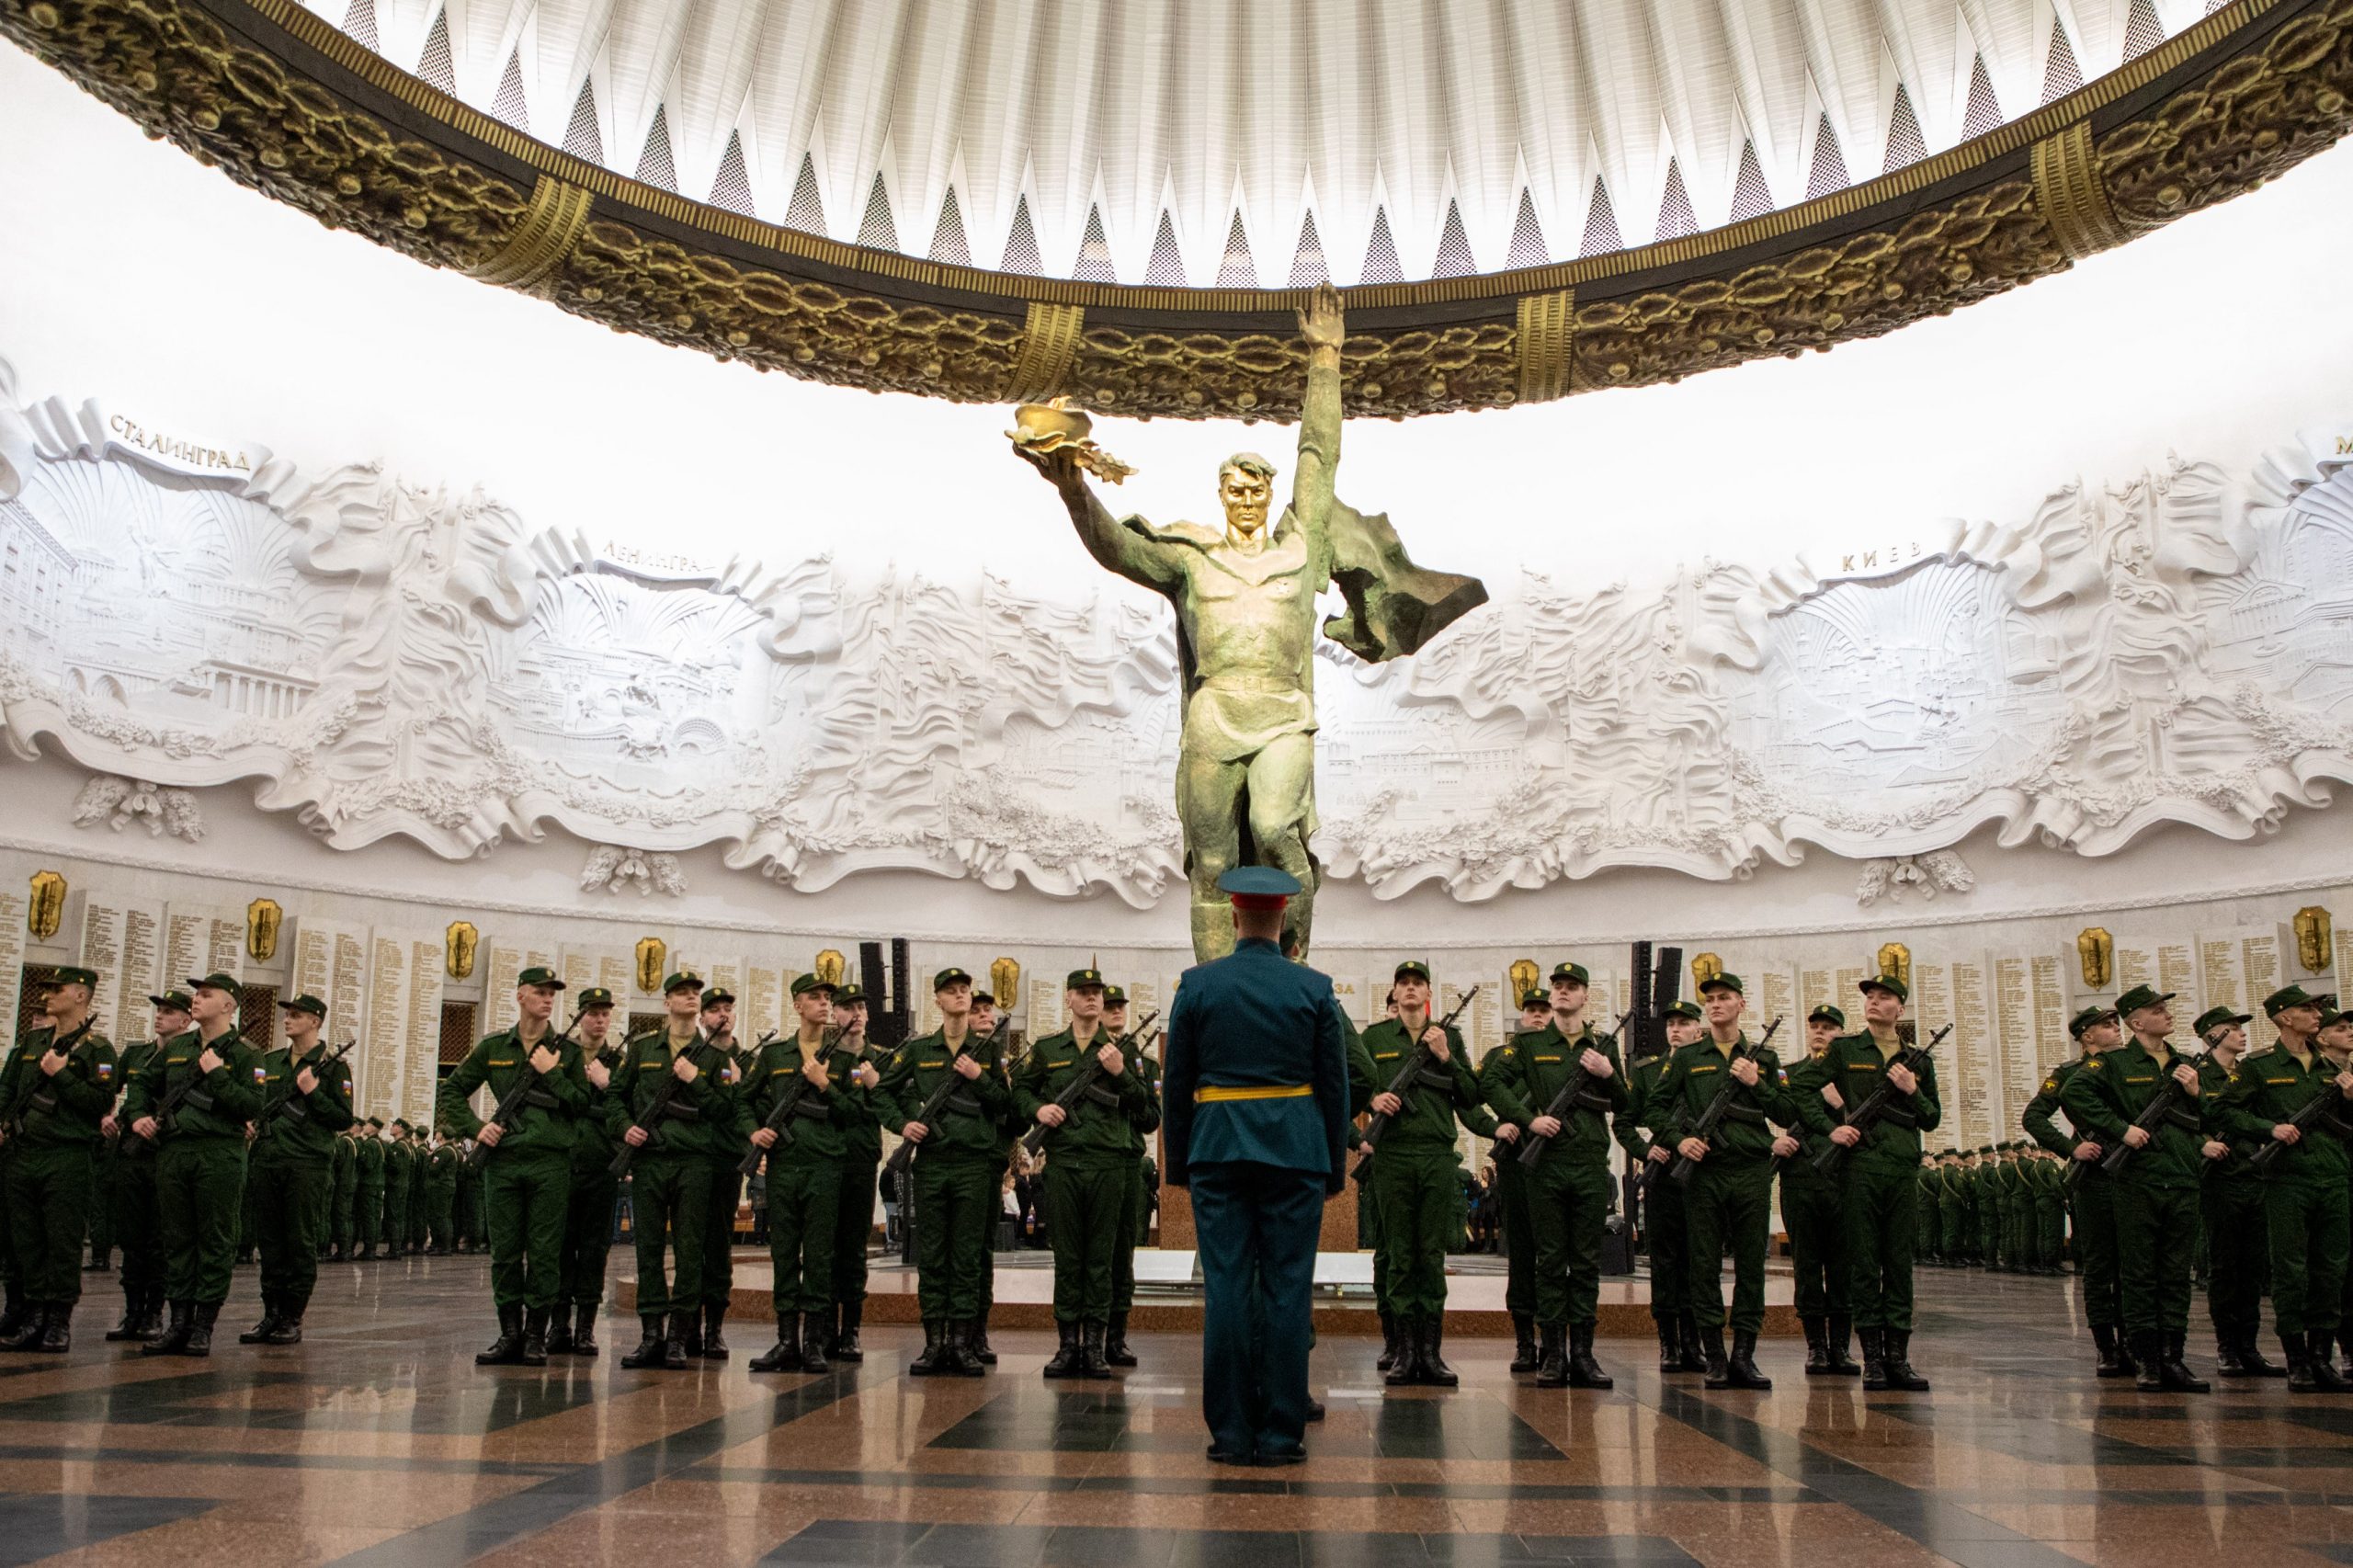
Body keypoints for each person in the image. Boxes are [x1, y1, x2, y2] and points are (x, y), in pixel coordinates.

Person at [1164, 865, 1348, 1466]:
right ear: (1284, 921)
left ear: (1236, 918)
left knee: (1226, 1292)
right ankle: (1279, 1434)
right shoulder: (1314, 988)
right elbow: (1334, 1087)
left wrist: (1179, 1165)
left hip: (1218, 1149)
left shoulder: (1197, 985)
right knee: (1288, 1291)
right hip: (1295, 1153)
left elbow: (1177, 1085)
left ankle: (1232, 1433)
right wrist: (1333, 1168)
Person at [1477, 960, 1627, 1388]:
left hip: (1588, 1165)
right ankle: (1553, 1354)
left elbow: (1627, 1104)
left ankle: (1583, 1353)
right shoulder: (1528, 1044)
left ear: (1584, 996)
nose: (1562, 992)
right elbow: (1491, 1084)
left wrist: (1608, 1073)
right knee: (1550, 1262)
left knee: (1585, 1262)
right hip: (1546, 1166)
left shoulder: (1601, 1048)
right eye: (1557, 986)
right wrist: (1529, 1119)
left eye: (1571, 987)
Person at [437, 966, 593, 1367]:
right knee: (505, 1252)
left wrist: (552, 1072)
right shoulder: (494, 1047)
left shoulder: (568, 1052)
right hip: (503, 1164)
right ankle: (508, 1333)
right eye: (539, 992)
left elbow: (582, 1104)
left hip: (550, 1163)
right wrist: (476, 1128)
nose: (547, 999)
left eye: (552, 994)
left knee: (543, 1252)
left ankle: (535, 1336)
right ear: (521, 995)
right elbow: (452, 1090)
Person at [1359, 960, 1502, 1388]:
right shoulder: (1375, 1037)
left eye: (1416, 983)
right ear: (1395, 992)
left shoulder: (1450, 1038)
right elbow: (1354, 1083)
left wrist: (1445, 1057)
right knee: (1401, 1255)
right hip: (1393, 1156)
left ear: (1428, 994)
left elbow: (1472, 1095)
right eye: (1402, 984)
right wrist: (1373, 1100)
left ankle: (1431, 1353)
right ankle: (1403, 1352)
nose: (1409, 990)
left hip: (1437, 1156)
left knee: (1430, 1256)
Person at [1654, 972, 1800, 1389]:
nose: (1716, 1004)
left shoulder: (1765, 1060)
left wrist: (1757, 1083)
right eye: (1711, 999)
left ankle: (1744, 1356)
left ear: (1741, 1004)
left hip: (1751, 1172)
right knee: (1704, 1266)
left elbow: (1789, 1113)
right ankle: (1715, 1356)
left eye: (1725, 997)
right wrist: (1680, 1141)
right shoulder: (1686, 1057)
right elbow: (1655, 1109)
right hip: (1705, 1174)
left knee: (1751, 1266)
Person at [1795, 974, 1940, 1391]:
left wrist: (1912, 1090)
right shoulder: (1844, 1050)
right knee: (1863, 1263)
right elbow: (1801, 1092)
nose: (1875, 1003)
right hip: (1858, 1170)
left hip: (1900, 1170)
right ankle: (1873, 1358)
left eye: (1885, 997)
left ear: (1901, 1008)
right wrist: (1830, 1130)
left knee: (1898, 1264)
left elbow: (1931, 1118)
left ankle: (1899, 1358)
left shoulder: (1919, 1061)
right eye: (1870, 997)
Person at [2063, 983, 2211, 1392]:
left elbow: (2212, 1115)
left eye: (2165, 1007)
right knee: (2140, 1273)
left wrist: (2197, 1093)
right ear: (2136, 1021)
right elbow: (2074, 1094)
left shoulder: (2183, 1063)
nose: (2166, 1013)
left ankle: (2173, 1357)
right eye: (2156, 1009)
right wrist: (2119, 1130)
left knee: (2176, 1273)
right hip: (2136, 1179)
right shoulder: (2112, 1064)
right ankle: (2147, 1359)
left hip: (2181, 1177)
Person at [1017, 967, 1159, 1378]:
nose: (1093, 998)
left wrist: (1120, 1073)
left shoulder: (1125, 1054)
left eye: (1097, 992)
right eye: (1085, 992)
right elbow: (1021, 1092)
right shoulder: (1048, 1050)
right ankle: (1066, 1346)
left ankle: (1096, 1346)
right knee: (1068, 1256)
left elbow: (1150, 1115)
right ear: (1069, 999)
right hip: (1063, 1165)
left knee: (1101, 1259)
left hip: (1109, 1165)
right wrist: (1038, 1111)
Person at [876, 967, 1011, 1376]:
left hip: (973, 1164)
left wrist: (978, 1077)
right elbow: (882, 1090)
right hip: (932, 1164)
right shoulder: (918, 1050)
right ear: (937, 999)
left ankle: (962, 1344)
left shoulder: (987, 1051)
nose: (959, 996)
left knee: (968, 1256)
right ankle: (934, 1344)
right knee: (933, 1256)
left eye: (964, 990)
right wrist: (903, 1124)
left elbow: (1006, 1104)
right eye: (950, 991)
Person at [2216, 984, 2350, 1389]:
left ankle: (2321, 1356)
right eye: (2307, 1009)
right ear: (2285, 1018)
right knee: (2291, 1271)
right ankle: (2296, 1359)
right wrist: (2268, 1128)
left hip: (2334, 1177)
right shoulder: (2259, 1066)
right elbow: (2223, 1108)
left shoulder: (2331, 1068)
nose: (2316, 1014)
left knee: (2331, 1270)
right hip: (2287, 1180)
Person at [607, 971, 742, 1370]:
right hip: (649, 1160)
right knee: (648, 1249)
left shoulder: (716, 1057)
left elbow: (725, 1110)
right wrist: (623, 1127)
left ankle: (680, 1338)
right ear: (666, 1003)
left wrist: (695, 1080)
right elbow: (616, 1095)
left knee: (689, 1250)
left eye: (695, 994)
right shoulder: (644, 1048)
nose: (690, 999)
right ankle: (651, 1335)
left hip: (695, 1163)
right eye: (682, 993)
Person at [126, 971, 264, 1358]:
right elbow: (140, 1082)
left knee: (215, 1240)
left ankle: (203, 1325)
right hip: (175, 1151)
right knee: (178, 1239)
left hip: (219, 1153)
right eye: (196, 994)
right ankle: (178, 1322)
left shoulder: (246, 1053)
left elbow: (252, 1106)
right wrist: (137, 1116)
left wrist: (217, 1075)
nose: (196, 1000)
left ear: (228, 1006)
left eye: (206, 994)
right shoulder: (178, 1046)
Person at [747, 973, 862, 1373]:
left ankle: (813, 1341)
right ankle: (785, 1341)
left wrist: (824, 1084)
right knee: (783, 1254)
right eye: (814, 998)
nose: (823, 1004)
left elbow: (855, 1114)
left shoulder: (845, 1060)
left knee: (818, 1255)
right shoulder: (775, 1055)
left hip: (825, 1166)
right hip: (783, 1166)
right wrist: (755, 1130)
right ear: (797, 1005)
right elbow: (743, 1100)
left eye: (827, 998)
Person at [0, 966, 117, 1353]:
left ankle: (57, 1322)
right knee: (27, 1241)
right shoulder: (34, 1041)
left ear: (81, 996)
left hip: (67, 1157)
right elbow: (7, 1090)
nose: (48, 995)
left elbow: (101, 1103)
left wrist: (63, 1076)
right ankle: (32, 1316)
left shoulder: (98, 1050)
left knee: (62, 1241)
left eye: (57, 989)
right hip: (23, 1154)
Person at [239, 993, 352, 1346]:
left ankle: (292, 1316)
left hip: (307, 1162)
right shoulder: (272, 1062)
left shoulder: (333, 1067)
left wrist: (314, 1092)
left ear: (315, 1021)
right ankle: (271, 1313)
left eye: (297, 1015)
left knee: (299, 1241)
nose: (288, 1020)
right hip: (268, 1157)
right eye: (287, 1014)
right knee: (269, 1240)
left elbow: (342, 1119)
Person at [2025, 1006, 2131, 1375]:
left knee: (2134, 1265)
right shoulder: (2068, 1074)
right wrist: (2071, 1149)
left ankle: (2134, 1341)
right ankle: (2107, 1347)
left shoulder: (2133, 1066)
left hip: (2136, 1173)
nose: (2116, 1029)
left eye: (2116, 1023)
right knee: (2101, 1266)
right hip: (2097, 1175)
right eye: (2106, 1025)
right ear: (2086, 1036)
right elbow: (2034, 1116)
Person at [1620, 999, 1707, 1373]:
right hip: (1664, 1176)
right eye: (1671, 1023)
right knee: (1665, 1261)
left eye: (1684, 1023)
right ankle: (1668, 1342)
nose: (1675, 1029)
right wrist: (1645, 1149)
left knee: (1698, 1261)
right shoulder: (1646, 1071)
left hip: (1701, 1177)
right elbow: (1624, 1121)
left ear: (1698, 1030)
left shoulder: (1709, 1069)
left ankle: (1694, 1341)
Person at [2190, 1004, 2278, 1377]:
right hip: (2221, 1178)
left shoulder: (2250, 1073)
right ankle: (2227, 1347)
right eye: (2232, 1029)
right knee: (2226, 1267)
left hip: (2255, 1173)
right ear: (2213, 1037)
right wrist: (2202, 1143)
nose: (2242, 1034)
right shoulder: (2198, 1075)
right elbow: (2181, 1122)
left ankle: (2250, 1346)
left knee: (2253, 1267)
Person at [1779, 1003, 1858, 1377]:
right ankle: (1815, 1347)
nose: (1820, 1032)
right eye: (1815, 1026)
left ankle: (1841, 1347)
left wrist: (1840, 1103)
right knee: (1807, 1266)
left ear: (1840, 1034)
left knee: (1843, 1265)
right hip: (1800, 1178)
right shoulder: (1790, 1074)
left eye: (1829, 1027)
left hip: (1842, 1179)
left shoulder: (1851, 1078)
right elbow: (1769, 1107)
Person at [101, 987, 184, 1343]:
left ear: (186, 1019)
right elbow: (107, 1087)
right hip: (133, 1154)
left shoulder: (192, 1056)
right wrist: (106, 1114)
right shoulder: (137, 1054)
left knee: (159, 1239)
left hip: (166, 1154)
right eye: (159, 1010)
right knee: (132, 1238)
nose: (160, 1016)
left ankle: (153, 1313)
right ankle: (133, 1312)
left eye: (169, 1011)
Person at [1478, 986, 1551, 1373]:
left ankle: (1554, 1341)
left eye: (1544, 1010)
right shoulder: (1499, 1058)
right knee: (1522, 1252)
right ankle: (1525, 1341)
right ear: (1521, 1017)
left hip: (1554, 1163)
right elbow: (1475, 1095)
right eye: (1532, 1011)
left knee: (1555, 1254)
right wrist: (1497, 1125)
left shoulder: (1564, 1057)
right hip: (1517, 1163)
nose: (1538, 1017)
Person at [549, 986, 621, 1356]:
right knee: (560, 1246)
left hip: (600, 1167)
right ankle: (558, 1325)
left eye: (605, 1014)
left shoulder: (619, 1061)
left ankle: (586, 1329)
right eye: (593, 1013)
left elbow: (625, 1112)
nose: (599, 1020)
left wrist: (606, 1085)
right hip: (563, 1163)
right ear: (579, 1016)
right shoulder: (559, 1056)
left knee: (594, 1249)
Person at [1100, 983, 1162, 1369]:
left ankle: (1115, 1337)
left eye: (1120, 1006)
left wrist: (1123, 1081)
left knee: (1122, 1256)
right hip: (1087, 1161)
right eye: (1110, 1007)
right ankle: (1084, 1340)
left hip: (1125, 1163)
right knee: (1089, 1255)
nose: (1116, 1011)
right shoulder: (1080, 1056)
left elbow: (1151, 1119)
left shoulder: (1144, 1064)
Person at [824, 983, 884, 1363]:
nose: (858, 1014)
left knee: (854, 1250)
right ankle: (826, 1328)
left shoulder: (880, 1059)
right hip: (826, 1159)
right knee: (824, 1247)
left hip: (861, 1160)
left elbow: (880, 1108)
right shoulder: (822, 1058)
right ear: (836, 1015)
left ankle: (851, 1331)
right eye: (849, 1007)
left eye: (862, 1007)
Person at [695, 986, 753, 1358]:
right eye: (714, 1010)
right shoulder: (694, 1056)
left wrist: (737, 1081)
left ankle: (714, 1328)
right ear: (702, 1018)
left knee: (718, 1244)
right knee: (689, 1245)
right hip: (694, 1159)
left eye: (728, 1009)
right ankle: (684, 1328)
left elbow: (747, 1110)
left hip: (728, 1161)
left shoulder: (747, 1059)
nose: (722, 1015)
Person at [354, 1118, 387, 1262]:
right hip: (378, 1183)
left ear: (373, 1128)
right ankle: (372, 1248)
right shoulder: (382, 1143)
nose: (365, 1127)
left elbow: (367, 1165)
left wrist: (359, 1160)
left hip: (368, 1184)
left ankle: (368, 1249)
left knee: (368, 1218)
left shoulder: (370, 1144)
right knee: (374, 1217)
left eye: (367, 1125)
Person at [328, 1120, 356, 1262]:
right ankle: (347, 1248)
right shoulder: (352, 1141)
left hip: (342, 1183)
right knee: (347, 1217)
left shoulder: (344, 1142)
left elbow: (337, 1161)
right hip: (350, 1182)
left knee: (340, 1217)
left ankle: (343, 1250)